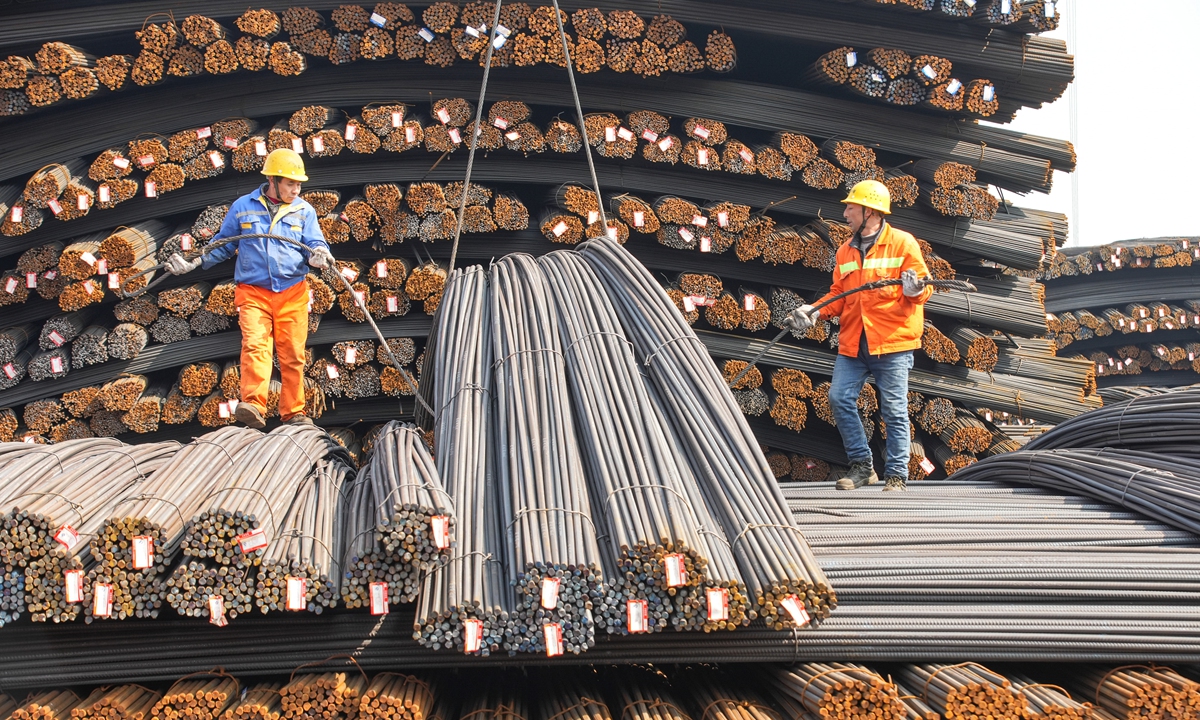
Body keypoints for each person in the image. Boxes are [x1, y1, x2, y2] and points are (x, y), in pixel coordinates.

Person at [164, 148, 334, 429]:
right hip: (253, 292)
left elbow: (316, 243)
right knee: (255, 347)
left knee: (293, 354)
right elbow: (223, 244)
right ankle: (253, 406)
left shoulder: (304, 211)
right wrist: (193, 263)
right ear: (273, 180)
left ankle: (293, 413)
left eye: (299, 184)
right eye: (290, 183)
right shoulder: (243, 207)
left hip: (292, 292)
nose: (296, 189)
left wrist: (318, 255)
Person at [787, 180, 932, 491]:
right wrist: (813, 311)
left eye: (851, 207)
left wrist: (915, 289)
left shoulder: (903, 244)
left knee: (893, 409)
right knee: (839, 398)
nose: (846, 213)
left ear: (870, 211)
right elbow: (839, 294)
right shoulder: (845, 250)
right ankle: (862, 466)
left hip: (892, 342)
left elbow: (924, 287)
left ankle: (896, 475)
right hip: (854, 341)